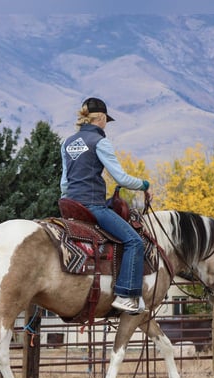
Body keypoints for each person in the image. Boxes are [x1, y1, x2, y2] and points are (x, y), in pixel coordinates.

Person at [60, 97, 151, 314]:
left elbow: (64, 182)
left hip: (69, 205)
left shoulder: (67, 142)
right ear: (100, 118)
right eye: (106, 121)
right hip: (93, 205)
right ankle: (126, 294)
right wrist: (144, 184)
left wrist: (70, 200)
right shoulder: (100, 142)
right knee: (134, 241)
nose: (105, 125)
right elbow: (120, 177)